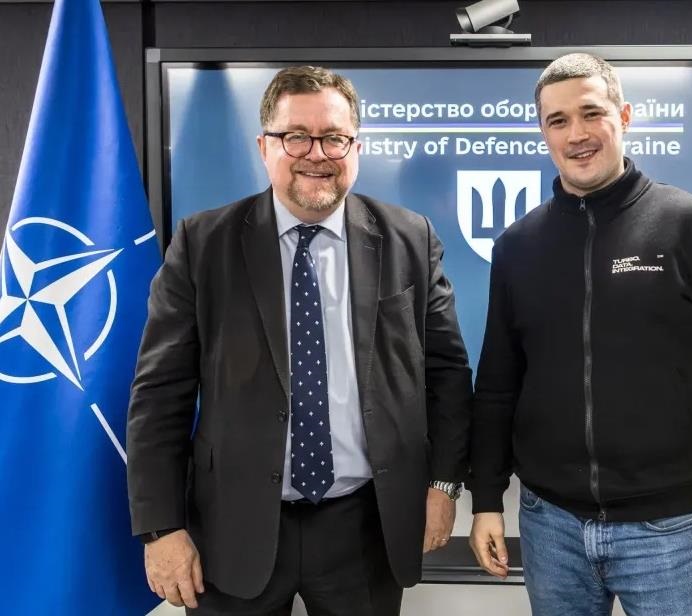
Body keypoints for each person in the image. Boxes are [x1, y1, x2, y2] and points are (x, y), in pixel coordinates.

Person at [127, 66, 472, 616]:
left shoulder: (410, 238)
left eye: (334, 137)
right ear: (264, 147)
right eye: (296, 137)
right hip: (234, 527)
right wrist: (161, 527)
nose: (317, 153)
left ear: (356, 147)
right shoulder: (202, 244)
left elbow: (447, 376)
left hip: (365, 528)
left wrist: (444, 484)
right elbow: (159, 394)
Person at [468, 53, 692, 616]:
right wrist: (487, 500)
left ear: (623, 116)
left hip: (670, 531)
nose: (576, 134)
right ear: (543, 132)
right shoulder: (518, 247)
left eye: (591, 113)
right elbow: (498, 386)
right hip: (551, 527)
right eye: (558, 120)